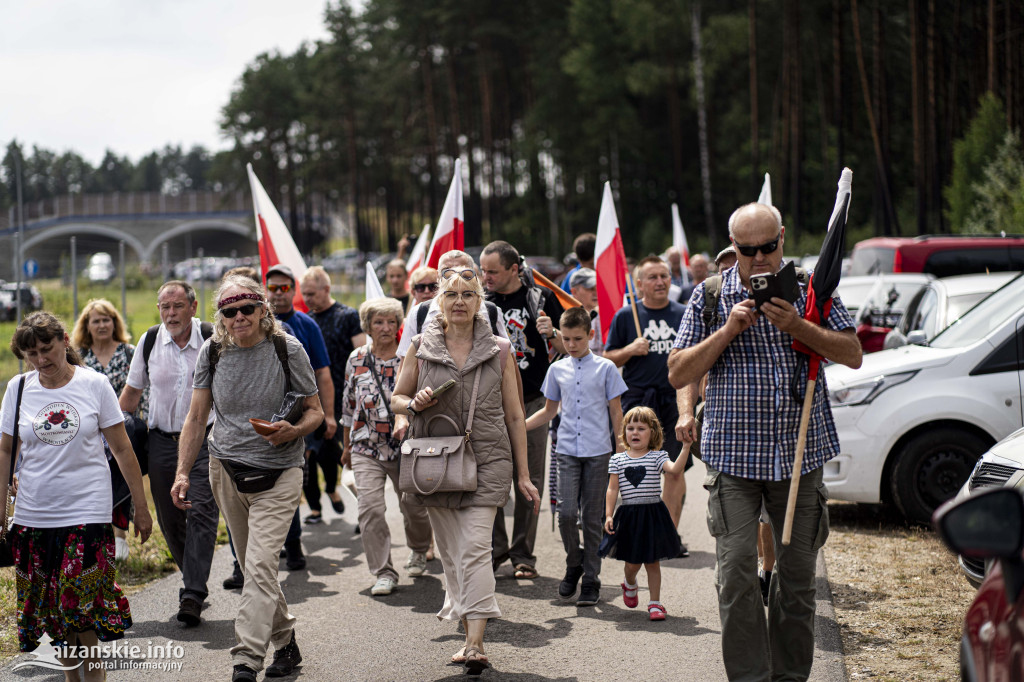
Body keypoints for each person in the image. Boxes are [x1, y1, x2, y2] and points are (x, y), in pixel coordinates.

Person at [668, 202, 862, 680]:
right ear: (733, 247)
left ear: (782, 237)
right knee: (735, 578)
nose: (758, 259)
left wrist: (798, 325)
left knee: (796, 583)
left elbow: (853, 354)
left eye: (767, 247)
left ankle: (789, 677)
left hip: (799, 459)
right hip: (734, 460)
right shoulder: (710, 296)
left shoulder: (812, 291)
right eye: (746, 249)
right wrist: (728, 331)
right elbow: (678, 372)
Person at [172, 275, 323, 682]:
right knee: (256, 568)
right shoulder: (213, 351)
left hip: (280, 471)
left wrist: (294, 431)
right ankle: (286, 643)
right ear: (220, 315)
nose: (239, 317)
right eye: (229, 310)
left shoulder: (286, 348)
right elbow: (196, 416)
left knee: (257, 566)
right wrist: (183, 472)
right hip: (226, 469)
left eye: (247, 309)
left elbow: (315, 411)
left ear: (262, 310)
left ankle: (246, 660)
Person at [392, 266, 538, 674]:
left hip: (488, 458)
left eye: (468, 295)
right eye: (452, 294)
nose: (459, 301)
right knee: (453, 553)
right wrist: (413, 404)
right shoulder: (421, 346)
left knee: (476, 547)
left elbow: (514, 415)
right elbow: (396, 400)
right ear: (439, 300)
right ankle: (463, 605)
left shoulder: (500, 350)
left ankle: (475, 642)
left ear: (479, 303)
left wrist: (523, 475)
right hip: (436, 463)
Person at [1, 312, 152, 679]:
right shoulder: (18, 388)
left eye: (46, 349)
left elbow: (122, 449)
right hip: (34, 516)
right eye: (31, 354)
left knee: (81, 608)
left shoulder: (94, 384)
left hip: (87, 512)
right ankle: (71, 678)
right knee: (54, 613)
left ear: (65, 340)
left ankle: (94, 677)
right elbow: (6, 452)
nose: (41, 360)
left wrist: (141, 507)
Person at [120, 280, 220, 627]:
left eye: (177, 306)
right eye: (165, 306)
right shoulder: (149, 342)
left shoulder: (212, 340)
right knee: (170, 517)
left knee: (203, 510)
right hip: (161, 440)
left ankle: (192, 593)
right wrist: (110, 437)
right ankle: (194, 577)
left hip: (207, 439)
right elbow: (131, 395)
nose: (171, 313)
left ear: (193, 307)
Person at [523, 306, 626, 606]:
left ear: (590, 336)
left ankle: (592, 579)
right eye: (565, 338)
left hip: (598, 451)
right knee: (566, 514)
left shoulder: (606, 368)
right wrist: (515, 430)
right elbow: (548, 410)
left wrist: (622, 450)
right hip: (566, 449)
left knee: (592, 519)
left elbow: (616, 411)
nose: (570, 345)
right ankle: (574, 562)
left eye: (577, 339)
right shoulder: (557, 369)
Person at [481, 240, 565, 580]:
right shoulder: (478, 303)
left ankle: (523, 553)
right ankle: (495, 550)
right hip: (489, 404)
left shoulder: (541, 299)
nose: (485, 277)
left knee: (529, 478)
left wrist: (553, 332)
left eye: (492, 271)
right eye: (482, 270)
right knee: (490, 479)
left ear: (514, 269)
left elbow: (571, 344)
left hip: (532, 402)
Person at [342, 297, 432, 596]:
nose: (385, 327)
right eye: (378, 322)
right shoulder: (355, 359)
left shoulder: (411, 358)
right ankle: (383, 571)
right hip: (365, 446)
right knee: (370, 509)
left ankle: (420, 549)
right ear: (367, 326)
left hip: (406, 447)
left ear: (399, 326)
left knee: (413, 505)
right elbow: (348, 407)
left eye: (391, 322)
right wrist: (346, 449)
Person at [604, 256, 692, 556]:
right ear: (638, 283)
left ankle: (668, 537)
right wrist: (630, 349)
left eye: (665, 276)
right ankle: (633, 533)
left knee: (674, 472)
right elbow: (607, 359)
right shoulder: (627, 316)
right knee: (634, 469)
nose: (660, 282)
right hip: (638, 405)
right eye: (652, 277)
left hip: (674, 401)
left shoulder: (683, 313)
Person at [266, 263, 334, 571]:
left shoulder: (306, 325)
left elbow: (322, 373)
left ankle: (293, 545)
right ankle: (255, 554)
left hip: (297, 416)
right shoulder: (252, 323)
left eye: (284, 288)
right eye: (273, 288)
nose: (278, 294)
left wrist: (327, 415)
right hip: (259, 418)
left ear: (293, 291)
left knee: (288, 481)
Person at [72, 298, 146, 562]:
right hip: (89, 431)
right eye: (96, 320)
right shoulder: (77, 357)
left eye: (107, 319)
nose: (102, 325)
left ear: (114, 323)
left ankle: (119, 533)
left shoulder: (129, 352)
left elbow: (142, 393)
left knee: (120, 471)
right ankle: (95, 534)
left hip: (124, 430)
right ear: (87, 326)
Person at [604, 407, 686, 621]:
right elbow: (612, 489)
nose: (635, 433)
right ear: (624, 433)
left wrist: (686, 447)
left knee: (652, 561)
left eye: (641, 428)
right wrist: (609, 515)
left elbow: (675, 469)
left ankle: (655, 603)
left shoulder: (658, 457)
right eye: (630, 428)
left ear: (653, 433)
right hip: (629, 517)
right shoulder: (618, 460)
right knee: (632, 564)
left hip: (652, 515)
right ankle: (629, 582)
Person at [299, 266, 365, 525]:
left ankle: (365, 512)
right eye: (304, 294)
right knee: (317, 456)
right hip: (314, 401)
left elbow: (362, 356)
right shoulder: (305, 320)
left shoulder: (347, 316)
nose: (308, 299)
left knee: (350, 458)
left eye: (312, 293)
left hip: (346, 401)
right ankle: (321, 501)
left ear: (326, 289)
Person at [397, 251, 508, 359]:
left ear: (472, 274)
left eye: (461, 270)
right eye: (447, 271)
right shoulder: (419, 313)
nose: (454, 276)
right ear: (438, 276)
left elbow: (507, 357)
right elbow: (405, 362)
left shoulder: (491, 311)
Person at [568, 268, 603, 356]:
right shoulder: (563, 317)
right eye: (590, 289)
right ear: (574, 292)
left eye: (597, 287)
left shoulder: (605, 315)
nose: (596, 293)